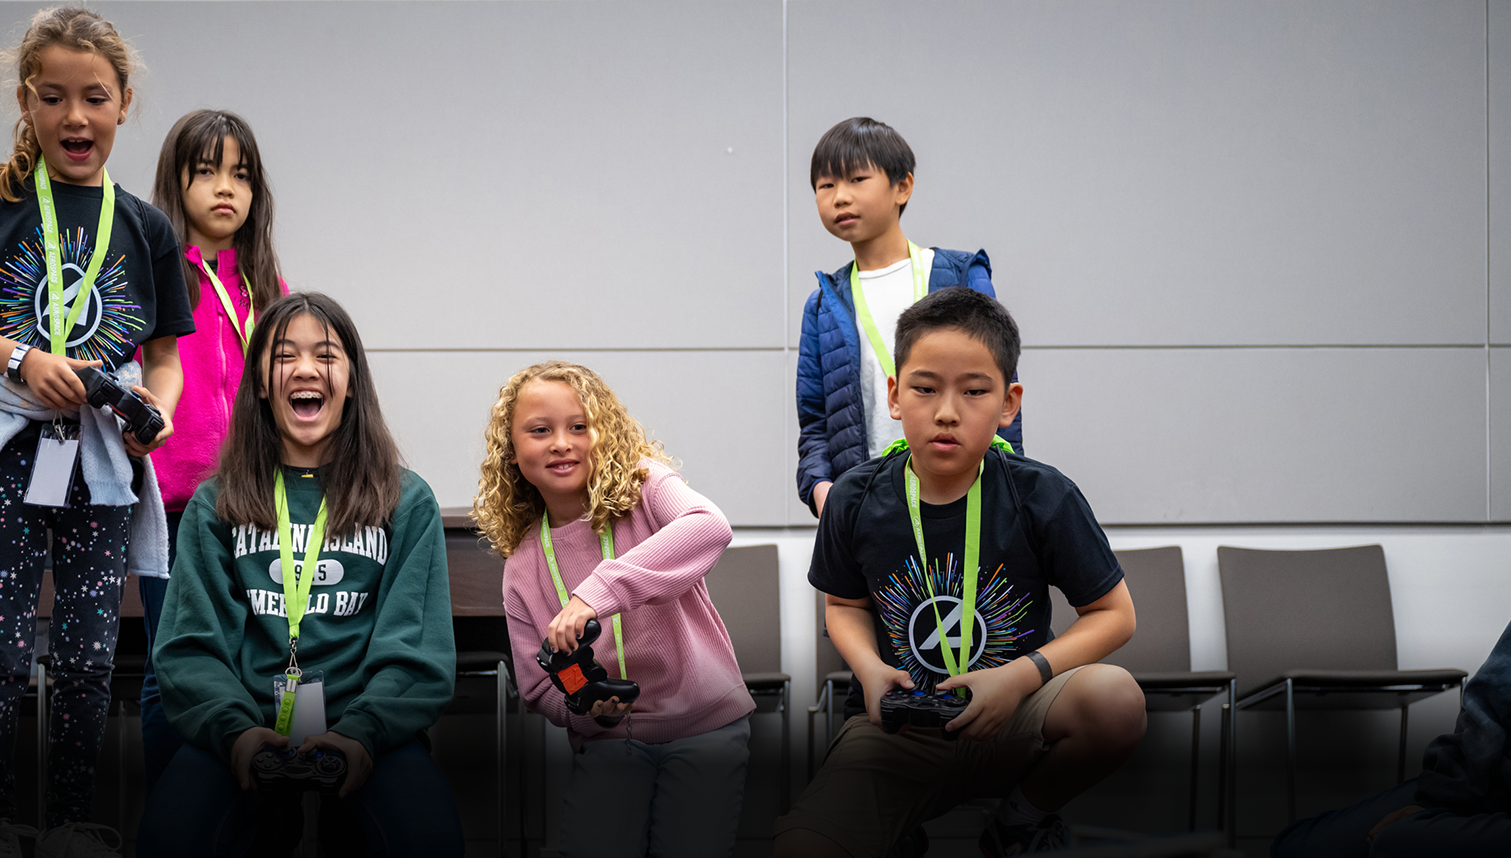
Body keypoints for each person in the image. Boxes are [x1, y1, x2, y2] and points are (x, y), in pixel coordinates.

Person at [0, 7, 189, 857]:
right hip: (11, 449)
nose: (76, 117)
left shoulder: (145, 225)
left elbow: (165, 355)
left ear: (124, 104)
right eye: (56, 98)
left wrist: (159, 414)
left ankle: (71, 822)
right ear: (28, 102)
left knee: (90, 655)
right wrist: (23, 360)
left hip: (102, 459)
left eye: (95, 98)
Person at [773, 288, 1146, 857]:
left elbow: (1115, 616)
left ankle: (1021, 820)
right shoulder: (854, 496)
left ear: (1008, 403)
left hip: (1017, 713)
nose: (947, 411)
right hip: (900, 729)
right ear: (895, 396)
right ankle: (900, 828)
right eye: (925, 388)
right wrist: (871, 671)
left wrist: (1020, 678)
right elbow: (844, 607)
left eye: (974, 392)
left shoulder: (1041, 494)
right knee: (802, 846)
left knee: (1114, 699)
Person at [139, 293, 464, 857]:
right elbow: (190, 649)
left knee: (428, 842)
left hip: (367, 734)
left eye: (327, 356)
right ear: (261, 381)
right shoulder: (216, 501)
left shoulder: (405, 500)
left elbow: (416, 654)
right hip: (242, 732)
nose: (307, 369)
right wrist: (237, 734)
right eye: (285, 355)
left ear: (353, 381)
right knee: (171, 840)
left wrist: (359, 734)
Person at [474, 361, 758, 858]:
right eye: (540, 431)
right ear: (512, 453)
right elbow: (540, 686)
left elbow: (710, 526)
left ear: (604, 433)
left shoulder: (646, 486)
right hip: (610, 740)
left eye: (579, 427)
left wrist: (596, 592)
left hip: (705, 727)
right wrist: (585, 707)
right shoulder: (522, 564)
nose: (562, 442)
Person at [139, 108, 290, 796]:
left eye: (241, 174)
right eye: (206, 172)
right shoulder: (149, 274)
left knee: (254, 663)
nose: (225, 188)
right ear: (178, 181)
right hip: (173, 506)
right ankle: (179, 814)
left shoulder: (268, 286)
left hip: (259, 505)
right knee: (174, 665)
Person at [1270, 538, 1511, 858]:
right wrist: (1444, 795)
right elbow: (1493, 697)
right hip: (1495, 784)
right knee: (1297, 849)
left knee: (1396, 844)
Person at [797, 116, 1022, 520]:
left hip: (963, 496)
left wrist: (1010, 487)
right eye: (826, 186)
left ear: (903, 186)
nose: (840, 197)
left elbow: (997, 388)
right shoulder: (822, 305)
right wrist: (823, 490)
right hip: (868, 504)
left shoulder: (959, 274)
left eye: (857, 180)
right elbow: (814, 420)